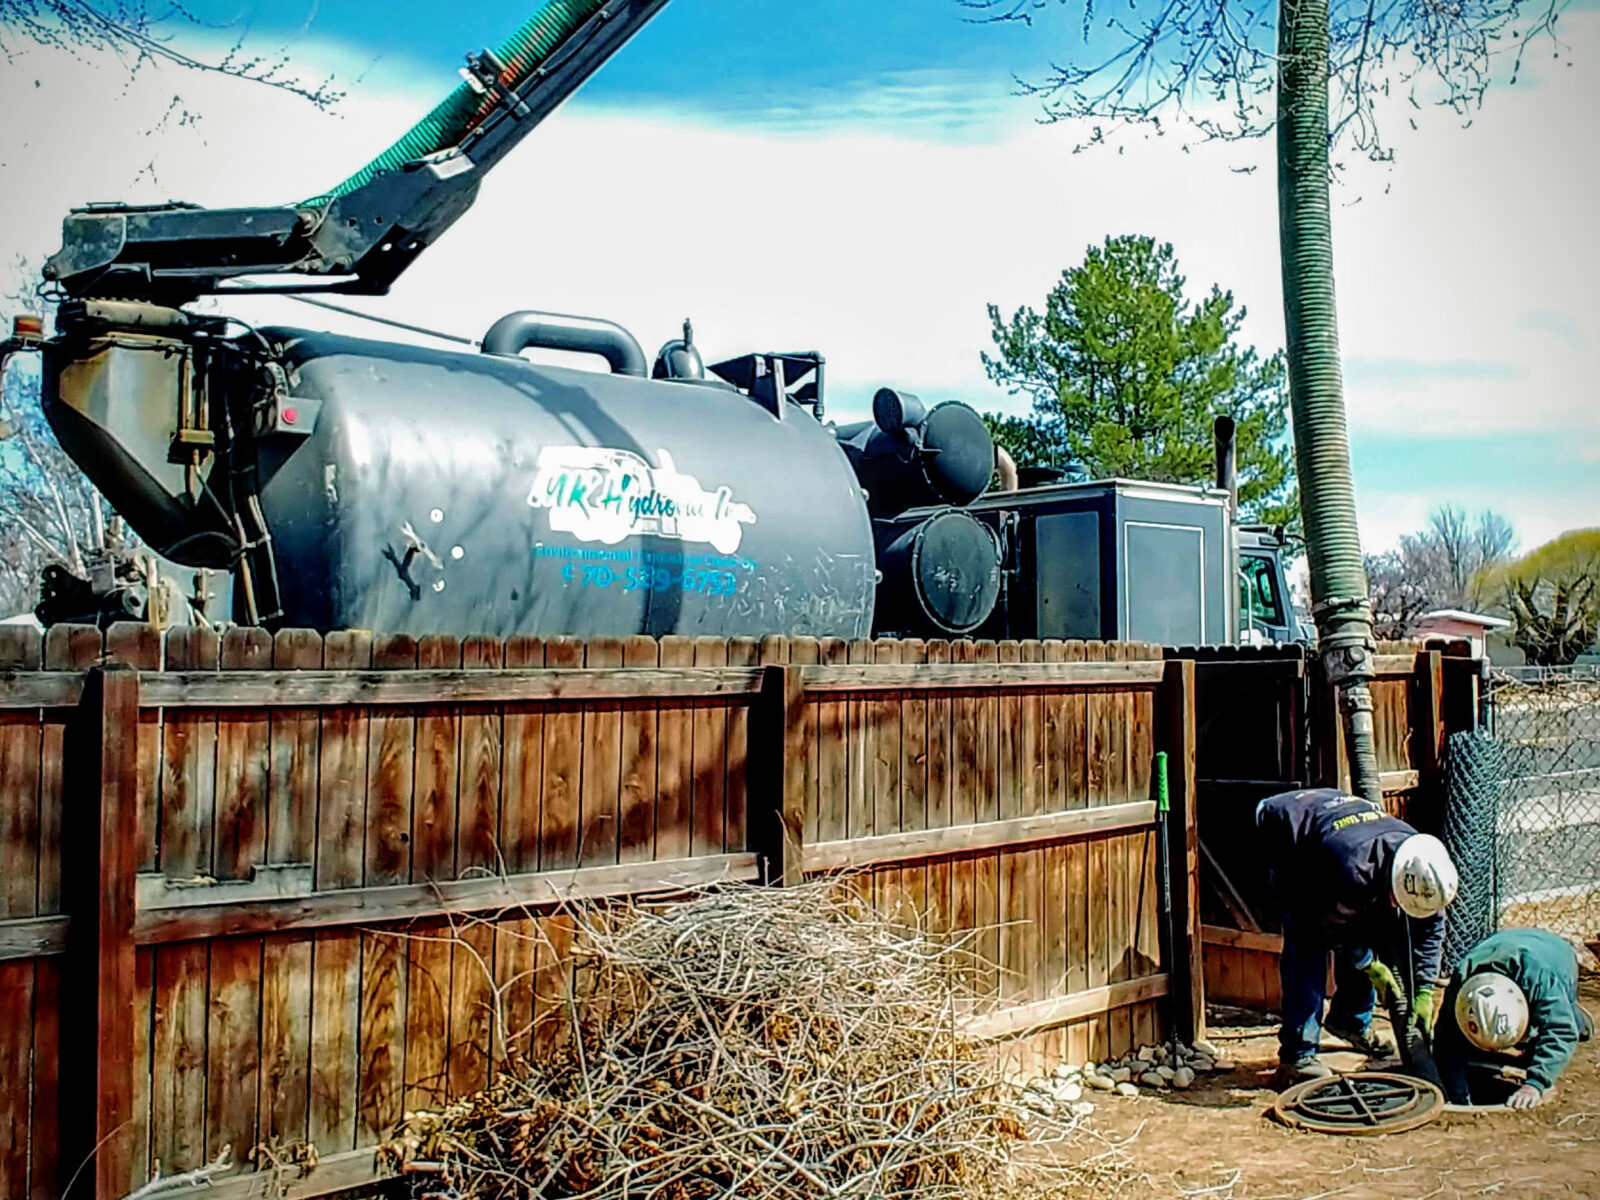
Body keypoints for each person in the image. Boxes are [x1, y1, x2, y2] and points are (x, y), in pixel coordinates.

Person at [1255, 787, 1459, 1081]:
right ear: (1395, 884)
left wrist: (1425, 989)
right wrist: (1369, 964)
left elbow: (1430, 930)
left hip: (1334, 825)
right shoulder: (1351, 866)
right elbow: (1329, 928)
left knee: (1371, 932)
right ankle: (1297, 1056)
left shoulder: (1424, 865)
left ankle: (1349, 1021)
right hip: (1286, 831)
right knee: (1308, 943)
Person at [1432, 927, 1594, 1108]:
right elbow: (1447, 1039)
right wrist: (1457, 1094)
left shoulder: (1540, 979)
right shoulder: (1462, 985)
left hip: (1555, 955)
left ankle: (1578, 1019)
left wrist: (1535, 1084)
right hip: (1503, 943)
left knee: (1559, 1016)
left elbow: (1560, 1030)